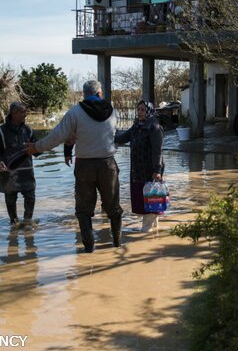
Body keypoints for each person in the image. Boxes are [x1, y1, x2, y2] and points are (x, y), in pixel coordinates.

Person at [25, 80, 123, 253]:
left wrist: (36, 147)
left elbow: (57, 136)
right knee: (113, 207)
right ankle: (116, 244)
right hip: (108, 164)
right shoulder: (112, 111)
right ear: (99, 94)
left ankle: (88, 249)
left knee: (84, 211)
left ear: (84, 95)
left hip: (85, 165)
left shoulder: (75, 112)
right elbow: (110, 134)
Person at [115, 100, 164, 232]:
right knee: (146, 199)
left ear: (149, 111)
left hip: (151, 171)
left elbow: (157, 150)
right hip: (138, 171)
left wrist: (157, 170)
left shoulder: (154, 127)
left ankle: (145, 232)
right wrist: (108, 135)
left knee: (150, 198)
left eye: (143, 110)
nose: (140, 112)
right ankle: (154, 230)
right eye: (138, 110)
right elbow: (123, 138)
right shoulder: (137, 126)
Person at [0, 102, 39, 226]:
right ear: (13, 113)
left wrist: (44, 146)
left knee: (30, 197)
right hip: (9, 173)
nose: (25, 114)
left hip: (27, 172)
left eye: (25, 111)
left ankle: (27, 222)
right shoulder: (0, 132)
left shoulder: (28, 130)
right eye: (22, 112)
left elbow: (37, 148)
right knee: (10, 199)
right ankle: (14, 222)